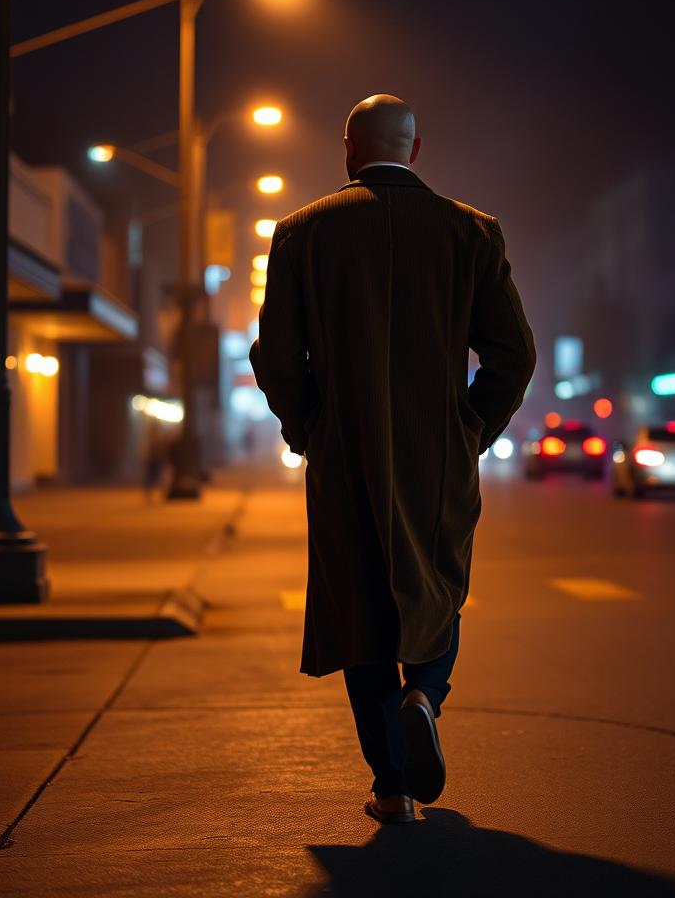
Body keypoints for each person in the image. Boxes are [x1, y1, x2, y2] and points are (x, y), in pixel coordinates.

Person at [250, 94, 535, 824]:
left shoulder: (300, 233)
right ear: (414, 149)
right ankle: (426, 694)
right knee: (436, 585)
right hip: (437, 455)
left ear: (348, 148)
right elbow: (514, 354)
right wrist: (472, 427)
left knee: (362, 608)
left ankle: (393, 787)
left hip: (343, 456)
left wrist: (308, 426)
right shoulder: (470, 232)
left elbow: (277, 356)